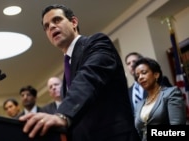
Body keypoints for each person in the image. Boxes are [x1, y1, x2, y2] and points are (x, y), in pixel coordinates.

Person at [19, 4, 140, 141]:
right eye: (46, 26)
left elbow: (89, 78)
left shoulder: (97, 42)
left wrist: (62, 115)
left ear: (74, 22)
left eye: (57, 20)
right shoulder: (67, 71)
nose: (51, 27)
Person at [133, 57, 186, 141]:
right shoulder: (139, 105)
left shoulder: (171, 93)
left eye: (144, 73)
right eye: (137, 76)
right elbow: (140, 133)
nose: (140, 77)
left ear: (156, 74)